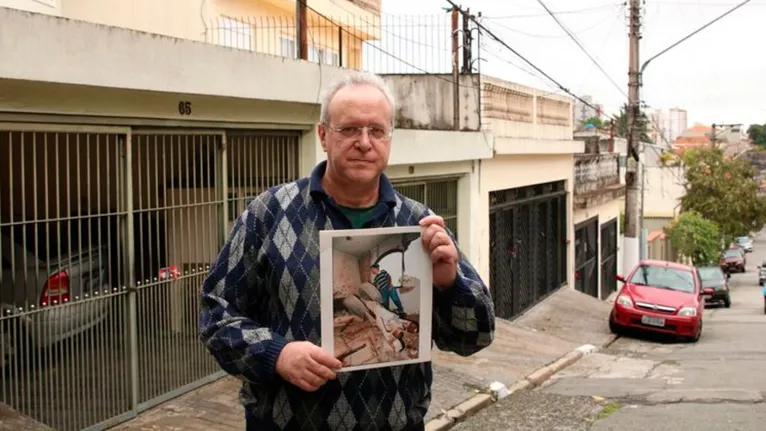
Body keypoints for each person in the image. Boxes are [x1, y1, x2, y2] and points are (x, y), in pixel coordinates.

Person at [199, 71, 495, 431]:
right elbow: (217, 314)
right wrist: (276, 355)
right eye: (350, 129)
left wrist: (449, 283)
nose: (364, 142)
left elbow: (474, 337)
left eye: (376, 130)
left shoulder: (421, 225)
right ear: (324, 135)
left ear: (389, 138)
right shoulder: (269, 213)